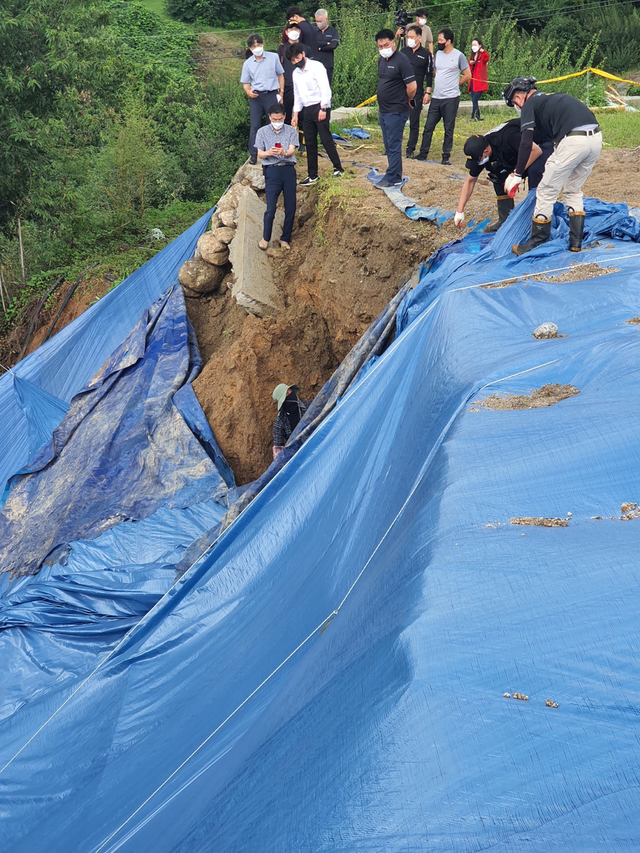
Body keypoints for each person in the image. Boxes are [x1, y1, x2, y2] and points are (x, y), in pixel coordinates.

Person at [503, 77, 603, 254]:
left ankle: (537, 240)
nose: (517, 108)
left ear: (518, 97)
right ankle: (575, 242)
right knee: (573, 189)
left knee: (546, 190)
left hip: (574, 140)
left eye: (514, 104)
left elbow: (526, 143)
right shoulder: (549, 99)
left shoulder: (529, 105)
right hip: (596, 138)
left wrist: (517, 174)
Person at [454, 119, 552, 233]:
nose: (477, 163)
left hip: (541, 144)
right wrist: (460, 211)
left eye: (478, 159)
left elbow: (536, 151)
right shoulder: (479, 151)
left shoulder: (508, 137)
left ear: (486, 151)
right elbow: (470, 181)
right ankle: (506, 220)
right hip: (516, 155)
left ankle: (537, 221)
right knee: (497, 174)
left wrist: (515, 174)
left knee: (534, 171)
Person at [290, 44, 344, 185]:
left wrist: (324, 107)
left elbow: (325, 87)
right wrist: (295, 113)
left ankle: (338, 168)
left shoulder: (316, 66)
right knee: (310, 142)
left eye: (297, 57)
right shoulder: (296, 74)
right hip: (307, 108)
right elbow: (297, 94)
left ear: (303, 54)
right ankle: (312, 175)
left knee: (325, 139)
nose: (296, 61)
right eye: (293, 60)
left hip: (320, 106)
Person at [416, 29, 470, 165]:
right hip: (436, 97)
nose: (438, 42)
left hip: (451, 98)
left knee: (448, 128)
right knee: (428, 126)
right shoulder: (438, 55)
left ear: (448, 41)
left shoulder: (459, 56)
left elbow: (467, 74)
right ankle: (423, 153)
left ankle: (446, 156)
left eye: (441, 40)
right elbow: (435, 71)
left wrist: (457, 84)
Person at [374, 29, 417, 187]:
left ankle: (392, 177)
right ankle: (395, 173)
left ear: (393, 42)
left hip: (396, 110)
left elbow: (412, 86)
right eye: (380, 46)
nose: (383, 48)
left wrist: (405, 100)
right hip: (384, 110)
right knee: (388, 144)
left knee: (393, 144)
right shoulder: (382, 60)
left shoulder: (401, 60)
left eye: (386, 45)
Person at [255, 104, 298, 250]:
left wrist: (283, 152)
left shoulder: (291, 131)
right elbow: (260, 153)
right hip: (272, 170)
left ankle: (285, 238)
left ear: (284, 116)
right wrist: (269, 153)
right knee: (271, 207)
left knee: (290, 206)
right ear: (269, 117)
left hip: (288, 169)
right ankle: (265, 238)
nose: (277, 121)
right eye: (274, 119)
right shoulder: (262, 132)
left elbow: (291, 150)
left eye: (280, 119)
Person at [240, 34, 285, 165]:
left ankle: (274, 152)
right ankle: (254, 154)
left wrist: (281, 93)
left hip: (271, 94)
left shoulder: (273, 57)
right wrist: (248, 92)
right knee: (255, 126)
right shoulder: (247, 64)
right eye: (254, 46)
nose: (257, 48)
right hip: (257, 97)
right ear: (250, 48)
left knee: (273, 124)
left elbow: (280, 75)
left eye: (259, 45)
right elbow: (245, 82)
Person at [401, 24, 433, 159]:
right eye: (408, 37)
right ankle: (393, 146)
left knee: (414, 121)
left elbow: (429, 74)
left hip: (417, 93)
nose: (410, 39)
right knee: (397, 120)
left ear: (419, 38)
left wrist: (428, 92)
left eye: (412, 37)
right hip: (401, 92)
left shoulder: (426, 55)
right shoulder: (403, 52)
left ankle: (410, 148)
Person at [278, 22, 312, 125]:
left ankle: (304, 140)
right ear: (286, 32)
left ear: (300, 32)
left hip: (304, 88)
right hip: (288, 87)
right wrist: (281, 92)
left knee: (304, 117)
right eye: (291, 29)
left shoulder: (306, 48)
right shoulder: (281, 49)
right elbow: (279, 71)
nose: (294, 31)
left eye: (296, 29)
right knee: (287, 117)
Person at [272, 383, 310, 458]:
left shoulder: (307, 406)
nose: (290, 394)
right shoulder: (280, 422)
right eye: (287, 394)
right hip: (299, 456)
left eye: (290, 391)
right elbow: (277, 451)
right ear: (283, 402)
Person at [314, 9, 339, 85]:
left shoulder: (333, 31)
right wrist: (326, 43)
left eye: (320, 21)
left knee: (326, 86)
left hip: (328, 65)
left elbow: (333, 45)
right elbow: (312, 43)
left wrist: (320, 48)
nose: (318, 23)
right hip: (315, 64)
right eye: (317, 21)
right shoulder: (314, 31)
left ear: (326, 19)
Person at [468, 38, 489, 121]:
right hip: (473, 82)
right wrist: (471, 64)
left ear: (480, 45)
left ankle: (473, 117)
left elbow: (487, 58)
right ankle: (478, 116)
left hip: (480, 82)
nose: (473, 46)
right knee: (474, 100)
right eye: (472, 45)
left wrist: (483, 52)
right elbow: (469, 70)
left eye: (475, 45)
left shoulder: (482, 56)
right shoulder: (471, 57)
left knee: (475, 99)